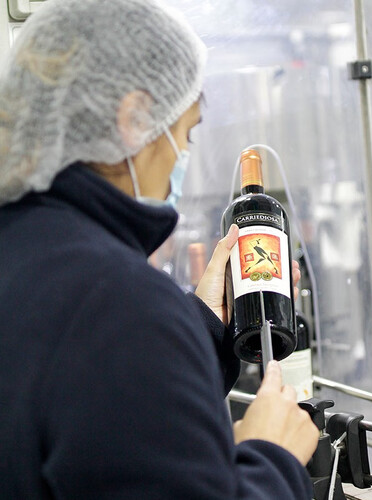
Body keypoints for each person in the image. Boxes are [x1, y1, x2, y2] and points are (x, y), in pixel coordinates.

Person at [0, 0, 319, 498]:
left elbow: (113, 414)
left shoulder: (23, 251)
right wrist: (271, 456)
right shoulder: (118, 299)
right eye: (185, 134)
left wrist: (205, 325)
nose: (182, 158)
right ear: (135, 118)